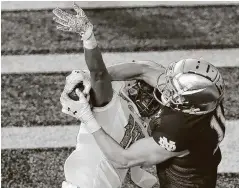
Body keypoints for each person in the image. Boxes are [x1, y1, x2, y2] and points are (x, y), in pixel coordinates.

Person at [55, 4, 226, 188]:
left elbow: (124, 160)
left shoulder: (176, 129)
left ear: (188, 105)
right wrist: (88, 47)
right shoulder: (204, 99)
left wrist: (86, 117)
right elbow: (141, 70)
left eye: (169, 92)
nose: (161, 93)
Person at [53, 4, 158, 188]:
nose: (147, 94)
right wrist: (88, 39)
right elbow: (99, 74)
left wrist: (88, 36)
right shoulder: (145, 129)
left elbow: (100, 75)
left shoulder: (120, 105)